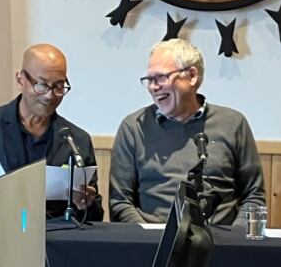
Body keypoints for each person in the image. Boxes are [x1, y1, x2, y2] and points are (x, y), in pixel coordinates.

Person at [109, 39, 266, 225]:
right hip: (153, 244)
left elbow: (253, 196)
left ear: (191, 76)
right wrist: (147, 238)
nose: (153, 86)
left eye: (161, 77)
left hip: (221, 243)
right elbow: (120, 202)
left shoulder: (233, 124)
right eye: (149, 80)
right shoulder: (134, 127)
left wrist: (235, 241)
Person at [0, 43, 103, 221]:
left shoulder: (76, 139)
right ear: (20, 81)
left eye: (58, 86)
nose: (49, 95)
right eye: (41, 85)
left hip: (54, 238)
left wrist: (86, 203)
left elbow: (94, 216)